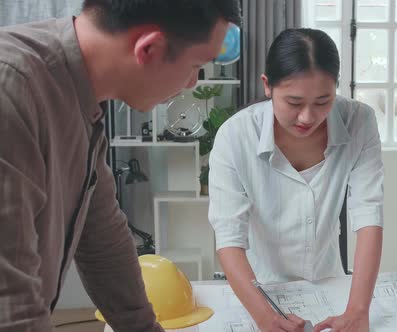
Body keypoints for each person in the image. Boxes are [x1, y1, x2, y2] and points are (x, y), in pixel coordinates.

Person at [0, 0, 240, 331]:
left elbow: (104, 240)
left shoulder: (78, 97)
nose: (192, 84)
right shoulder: (12, 88)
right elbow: (11, 308)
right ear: (150, 48)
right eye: (196, 66)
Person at [208, 28, 384, 332]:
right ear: (267, 86)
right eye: (293, 102)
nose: (307, 117)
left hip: (329, 284)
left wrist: (358, 309)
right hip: (259, 290)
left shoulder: (358, 121)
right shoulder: (235, 136)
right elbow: (229, 237)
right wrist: (265, 318)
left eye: (322, 101)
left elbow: (369, 214)